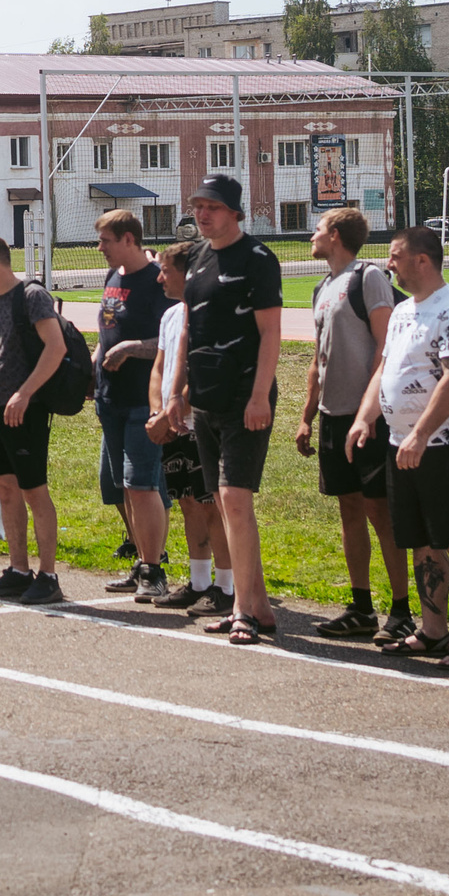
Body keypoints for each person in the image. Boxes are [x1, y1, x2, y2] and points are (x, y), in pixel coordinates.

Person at [363, 225, 449, 668]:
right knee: (421, 541)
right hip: (402, 445)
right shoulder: (402, 311)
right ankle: (433, 631)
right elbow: (385, 369)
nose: (389, 264)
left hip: (445, 446)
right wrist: (365, 417)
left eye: (395, 256)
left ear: (422, 260)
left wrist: (421, 434)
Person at [181, 175, 283, 643]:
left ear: (235, 212)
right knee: (224, 502)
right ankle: (258, 605)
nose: (203, 214)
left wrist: (260, 395)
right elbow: (190, 329)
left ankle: (242, 609)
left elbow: (270, 333)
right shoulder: (196, 257)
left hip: (244, 394)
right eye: (198, 206)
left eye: (213, 207)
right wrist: (179, 391)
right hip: (206, 395)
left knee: (236, 499)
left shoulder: (258, 259)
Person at [297, 207, 407, 640]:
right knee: (350, 509)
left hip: (369, 419)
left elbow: (386, 346)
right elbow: (318, 358)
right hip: (333, 416)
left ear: (337, 235)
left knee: (381, 511)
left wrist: (369, 410)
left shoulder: (369, 277)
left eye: (318, 229)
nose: (312, 235)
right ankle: (361, 607)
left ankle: (401, 609)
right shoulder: (323, 287)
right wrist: (307, 417)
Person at [0, 233, 66, 604]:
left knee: (34, 490)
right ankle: (19, 570)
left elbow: (56, 347)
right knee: (5, 489)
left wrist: (25, 393)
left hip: (27, 409)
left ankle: (48, 575)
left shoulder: (32, 296)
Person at [92, 210, 173, 598]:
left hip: (143, 400)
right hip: (110, 397)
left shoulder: (156, 282)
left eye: (105, 241)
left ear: (128, 239)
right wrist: (93, 366)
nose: (100, 248)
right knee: (123, 486)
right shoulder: (113, 277)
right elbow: (106, 331)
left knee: (142, 484)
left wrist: (130, 348)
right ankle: (141, 561)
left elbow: (169, 341)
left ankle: (154, 572)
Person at [144, 239, 221, 610]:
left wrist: (170, 415)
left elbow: (203, 371)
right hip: (171, 425)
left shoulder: (207, 313)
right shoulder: (170, 316)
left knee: (211, 506)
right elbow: (159, 368)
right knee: (188, 502)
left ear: (188, 274)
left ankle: (226, 587)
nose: (159, 278)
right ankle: (199, 581)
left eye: (165, 271)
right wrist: (157, 413)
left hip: (198, 422)